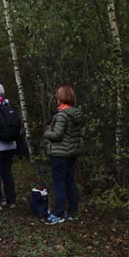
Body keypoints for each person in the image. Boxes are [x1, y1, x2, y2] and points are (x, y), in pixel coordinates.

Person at [42, 85, 81, 224]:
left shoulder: (61, 116)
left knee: (59, 183)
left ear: (61, 98)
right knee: (70, 181)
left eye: (58, 96)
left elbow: (57, 135)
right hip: (72, 153)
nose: (56, 99)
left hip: (60, 154)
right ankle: (72, 212)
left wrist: (46, 132)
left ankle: (58, 213)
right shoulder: (75, 114)